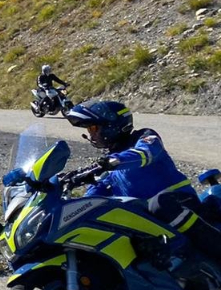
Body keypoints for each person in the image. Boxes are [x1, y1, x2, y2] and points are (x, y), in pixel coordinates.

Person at [64, 101, 221, 274]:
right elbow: (92, 197)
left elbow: (145, 153)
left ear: (112, 125)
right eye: (89, 130)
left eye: (94, 128)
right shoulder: (109, 163)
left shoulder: (144, 137)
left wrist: (114, 161)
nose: (91, 134)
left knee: (160, 203)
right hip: (148, 219)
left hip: (179, 201)